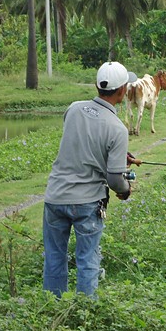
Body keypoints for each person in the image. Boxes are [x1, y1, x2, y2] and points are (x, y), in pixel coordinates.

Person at [42, 61, 138, 297]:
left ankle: (52, 308)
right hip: (86, 203)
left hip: (55, 197)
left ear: (97, 85)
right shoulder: (117, 129)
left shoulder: (73, 109)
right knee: (87, 259)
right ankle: (85, 311)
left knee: (55, 256)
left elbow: (81, 140)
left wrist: (114, 156)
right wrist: (125, 190)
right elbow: (115, 179)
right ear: (122, 90)